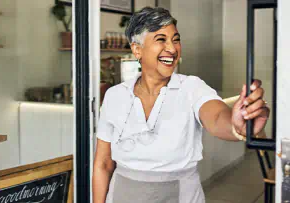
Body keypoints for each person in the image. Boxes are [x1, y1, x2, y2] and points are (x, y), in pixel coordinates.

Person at [92, 7, 270, 203]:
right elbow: (103, 164)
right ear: (137, 49)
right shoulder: (115, 96)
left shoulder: (191, 87)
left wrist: (236, 126)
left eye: (176, 40)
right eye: (161, 39)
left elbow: (216, 117)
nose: (172, 48)